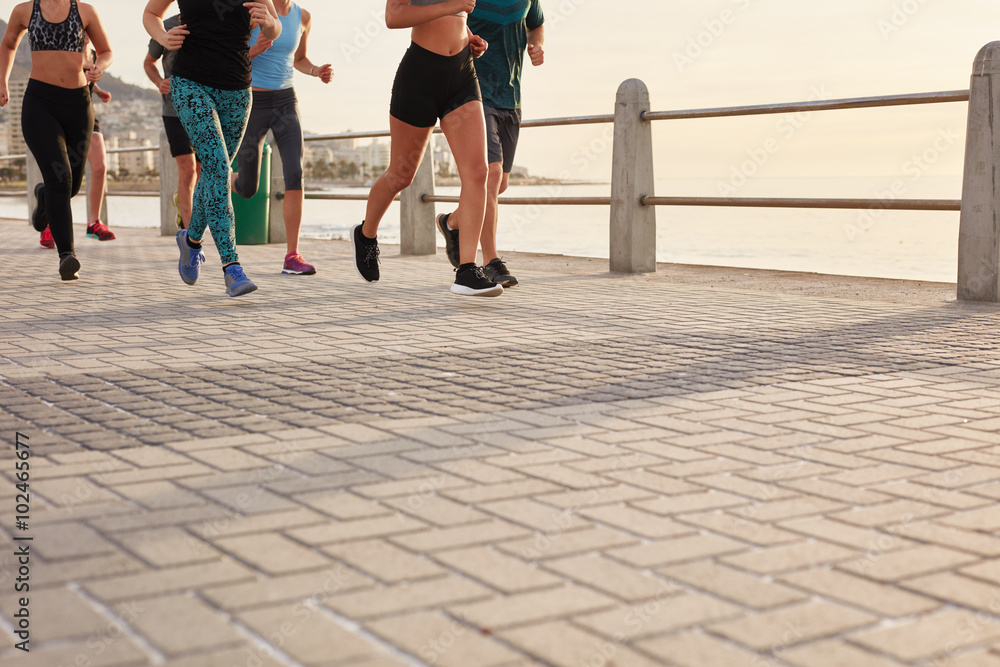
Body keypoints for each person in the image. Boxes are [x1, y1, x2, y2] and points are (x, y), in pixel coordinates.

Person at [352, 0, 503, 297]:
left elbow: (455, 15)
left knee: (478, 171)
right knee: (400, 176)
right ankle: (366, 233)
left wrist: (467, 34)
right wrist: (452, 6)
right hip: (419, 78)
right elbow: (393, 17)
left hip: (462, 74)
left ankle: (468, 270)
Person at [143, 0, 281, 298]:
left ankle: (191, 241)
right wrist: (162, 37)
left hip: (237, 91)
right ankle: (232, 267)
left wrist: (268, 22)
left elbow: (275, 25)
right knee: (219, 168)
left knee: (213, 175)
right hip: (190, 84)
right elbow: (151, 13)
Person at [0, 0, 112, 281]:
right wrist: (2, 81)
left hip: (78, 105)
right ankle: (67, 256)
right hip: (40, 104)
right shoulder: (24, 11)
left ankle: (43, 195)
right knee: (59, 181)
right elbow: (9, 44)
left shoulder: (85, 11)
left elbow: (107, 50)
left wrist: (99, 66)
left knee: (71, 185)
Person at [436, 0, 544, 288]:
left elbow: (536, 24)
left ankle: (452, 223)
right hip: (474, 94)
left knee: (499, 184)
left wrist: (537, 45)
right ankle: (491, 261)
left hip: (511, 96)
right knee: (490, 177)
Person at [233, 0, 332, 276]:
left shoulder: (304, 17)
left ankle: (292, 255)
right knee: (248, 186)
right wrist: (254, 50)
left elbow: (299, 59)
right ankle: (216, 178)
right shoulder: (254, 9)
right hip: (253, 100)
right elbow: (230, 55)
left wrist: (316, 71)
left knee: (295, 173)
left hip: (286, 101)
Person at [143, 12, 199, 231]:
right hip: (174, 110)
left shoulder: (213, 21)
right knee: (188, 170)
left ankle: (182, 202)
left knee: (202, 173)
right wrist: (159, 82)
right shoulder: (164, 26)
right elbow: (149, 63)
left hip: (207, 110)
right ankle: (191, 235)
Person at [83, 35, 115, 242]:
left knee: (100, 168)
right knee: (62, 175)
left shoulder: (94, 55)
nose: (86, 32)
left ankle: (94, 223)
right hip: (60, 117)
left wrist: (99, 91)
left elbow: (87, 80)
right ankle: (48, 224)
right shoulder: (62, 52)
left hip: (87, 115)